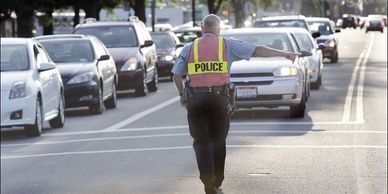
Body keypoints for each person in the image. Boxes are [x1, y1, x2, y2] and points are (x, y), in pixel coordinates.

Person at [171, 14, 298, 194]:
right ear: (219, 29)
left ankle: (207, 180)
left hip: (196, 102)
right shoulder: (226, 44)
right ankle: (217, 179)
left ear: (202, 28)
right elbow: (257, 50)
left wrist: (183, 95)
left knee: (201, 141)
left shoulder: (190, 48)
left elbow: (176, 75)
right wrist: (284, 54)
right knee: (218, 140)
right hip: (219, 100)